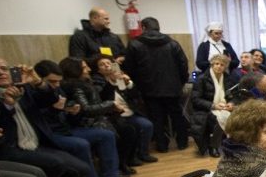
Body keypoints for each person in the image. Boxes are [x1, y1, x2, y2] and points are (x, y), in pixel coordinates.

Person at [0, 57, 109, 177]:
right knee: (57, 164)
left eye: (4, 69)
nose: (1, 73)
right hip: (9, 147)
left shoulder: (23, 88)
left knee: (82, 168)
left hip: (37, 142)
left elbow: (51, 99)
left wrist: (38, 82)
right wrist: (8, 105)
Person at [58, 57, 135, 177]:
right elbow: (87, 109)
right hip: (86, 123)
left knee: (127, 128)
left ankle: (118, 167)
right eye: (84, 67)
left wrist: (117, 86)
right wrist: (111, 104)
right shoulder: (77, 86)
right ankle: (110, 175)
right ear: (74, 70)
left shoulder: (86, 82)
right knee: (114, 132)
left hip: (97, 117)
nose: (88, 69)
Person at [123, 17, 190, 153]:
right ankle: (182, 142)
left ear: (143, 28)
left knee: (157, 118)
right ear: (158, 27)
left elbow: (129, 68)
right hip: (172, 87)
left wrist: (139, 85)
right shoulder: (172, 43)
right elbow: (183, 65)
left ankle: (162, 145)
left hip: (149, 89)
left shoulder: (135, 44)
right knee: (177, 116)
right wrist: (180, 82)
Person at [92, 55, 157, 164]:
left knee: (147, 125)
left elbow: (135, 96)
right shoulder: (97, 81)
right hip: (113, 115)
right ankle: (131, 157)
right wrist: (111, 82)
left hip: (130, 112)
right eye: (102, 65)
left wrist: (129, 84)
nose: (106, 66)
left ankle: (143, 153)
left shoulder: (120, 76)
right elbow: (102, 98)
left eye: (108, 63)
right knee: (130, 129)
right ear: (98, 69)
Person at [190, 54, 234, 157]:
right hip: (206, 109)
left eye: (222, 64)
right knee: (219, 119)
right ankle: (213, 146)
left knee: (238, 116)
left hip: (224, 107)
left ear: (225, 67)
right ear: (212, 65)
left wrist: (231, 103)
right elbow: (195, 99)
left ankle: (233, 144)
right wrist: (213, 106)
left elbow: (233, 96)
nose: (219, 66)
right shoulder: (201, 79)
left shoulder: (228, 78)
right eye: (216, 64)